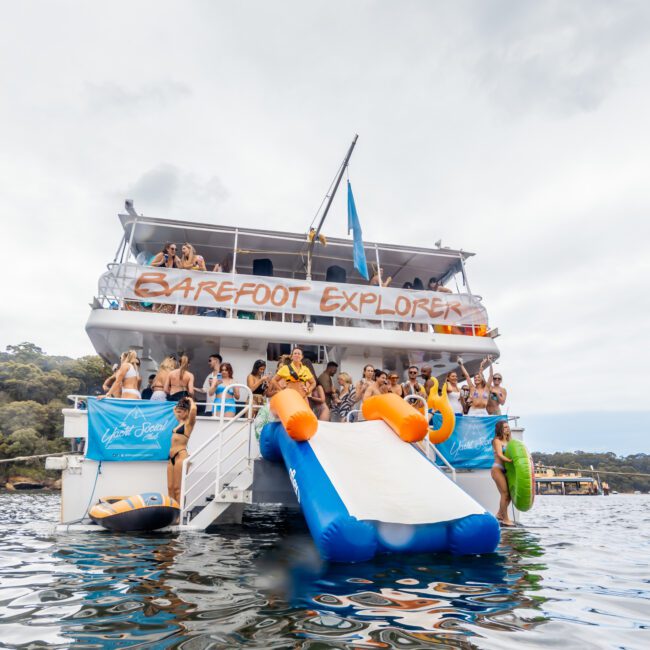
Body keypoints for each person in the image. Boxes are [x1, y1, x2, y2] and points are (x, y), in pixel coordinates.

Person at [167, 396, 197, 506]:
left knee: (178, 488)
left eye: (181, 412)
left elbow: (193, 409)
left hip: (181, 456)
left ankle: (179, 513)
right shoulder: (180, 421)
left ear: (186, 412)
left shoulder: (189, 424)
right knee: (170, 488)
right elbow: (174, 409)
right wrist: (181, 402)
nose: (177, 414)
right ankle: (172, 513)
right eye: (177, 412)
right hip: (171, 458)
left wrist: (190, 400)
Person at [491, 420, 514, 526]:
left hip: (506, 470)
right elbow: (500, 454)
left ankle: (500, 514)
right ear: (500, 429)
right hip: (497, 469)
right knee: (504, 494)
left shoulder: (510, 442)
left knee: (509, 495)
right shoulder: (497, 441)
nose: (507, 429)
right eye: (505, 427)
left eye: (508, 427)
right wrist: (509, 461)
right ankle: (506, 519)